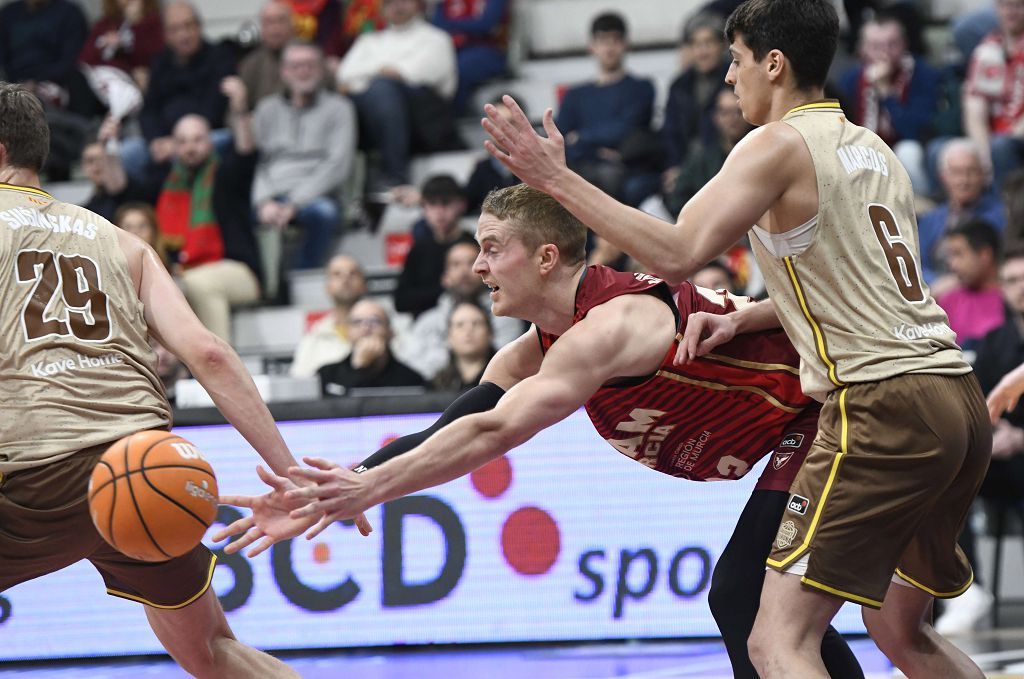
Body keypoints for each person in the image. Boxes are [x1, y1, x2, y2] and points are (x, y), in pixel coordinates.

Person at [478, 1, 991, 677]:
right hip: (955, 396)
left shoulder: (776, 143)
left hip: (879, 403)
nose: (728, 78)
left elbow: (676, 252)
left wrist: (554, 180)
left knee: (773, 639)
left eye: (737, 60)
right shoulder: (873, 149)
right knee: (902, 633)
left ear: (773, 65)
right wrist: (748, 316)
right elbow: (868, 285)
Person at [216, 185, 864, 679]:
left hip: (835, 409)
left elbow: (493, 435)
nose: (476, 266)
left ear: (547, 257)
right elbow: (455, 427)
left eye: (492, 246)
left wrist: (366, 492)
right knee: (818, 616)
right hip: (800, 425)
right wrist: (340, 483)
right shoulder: (534, 347)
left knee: (744, 596)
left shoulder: (612, 326)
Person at [0, 82, 370, 679]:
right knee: (213, 653)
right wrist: (294, 476)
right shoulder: (121, 239)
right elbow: (210, 354)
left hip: (37, 471)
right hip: (144, 465)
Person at [250, 40, 357, 278]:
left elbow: (338, 165)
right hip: (272, 193)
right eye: (296, 66)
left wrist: (294, 203)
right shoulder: (266, 109)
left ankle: (299, 280)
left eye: (310, 65)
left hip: (317, 195)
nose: (303, 71)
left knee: (324, 214)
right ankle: (261, 284)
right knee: (235, 210)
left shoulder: (340, 108)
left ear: (321, 69)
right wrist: (263, 201)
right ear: (284, 72)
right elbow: (257, 162)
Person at [336, 0, 458, 192]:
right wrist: (382, 71)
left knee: (383, 89)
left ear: (419, 5)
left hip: (423, 118)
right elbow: (344, 75)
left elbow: (413, 74)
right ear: (382, 9)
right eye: (390, 3)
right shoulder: (369, 40)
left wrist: (371, 77)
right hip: (376, 112)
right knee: (338, 102)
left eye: (404, 1)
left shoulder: (436, 38)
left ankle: (395, 175)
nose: (397, 7)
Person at [836, 12, 940, 194]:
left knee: (908, 151)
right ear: (863, 49)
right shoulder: (851, 79)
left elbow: (913, 130)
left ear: (905, 44)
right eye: (876, 46)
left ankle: (920, 207)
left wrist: (885, 92)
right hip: (863, 149)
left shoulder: (923, 74)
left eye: (892, 44)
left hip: (905, 147)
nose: (884, 53)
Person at [918, 138, 1006, 287]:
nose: (964, 181)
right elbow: (916, 264)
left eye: (971, 172)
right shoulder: (930, 219)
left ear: (983, 175)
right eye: (957, 172)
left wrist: (957, 283)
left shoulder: (1001, 215)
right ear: (943, 177)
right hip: (935, 294)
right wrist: (937, 283)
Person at [317, 298, 425, 396]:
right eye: (357, 322)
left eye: (375, 321)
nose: (366, 327)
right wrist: (358, 369)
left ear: (390, 332)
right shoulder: (326, 375)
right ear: (348, 333)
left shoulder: (412, 380)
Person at [289, 254, 367, 378]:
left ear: (364, 285)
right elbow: (299, 381)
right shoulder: (314, 338)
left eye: (352, 274)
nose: (345, 279)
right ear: (327, 287)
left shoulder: (383, 332)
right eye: (337, 274)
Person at [936, 219, 1006, 357]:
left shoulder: (1011, 298)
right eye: (950, 255)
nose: (952, 264)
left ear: (984, 255)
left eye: (958, 254)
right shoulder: (947, 299)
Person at [238, 1, 294, 108]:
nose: (275, 29)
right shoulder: (251, 64)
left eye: (281, 21)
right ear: (262, 28)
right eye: (269, 22)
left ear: (291, 25)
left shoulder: (309, 57)